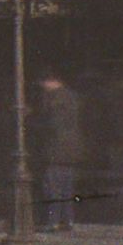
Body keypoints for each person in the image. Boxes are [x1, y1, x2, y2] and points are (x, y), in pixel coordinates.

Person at [32, 72, 86, 231]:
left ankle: (52, 222)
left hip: (55, 149)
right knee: (66, 187)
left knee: (52, 187)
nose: (42, 87)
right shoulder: (71, 96)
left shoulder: (55, 98)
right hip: (69, 150)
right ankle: (67, 220)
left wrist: (34, 121)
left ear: (49, 82)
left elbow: (53, 124)